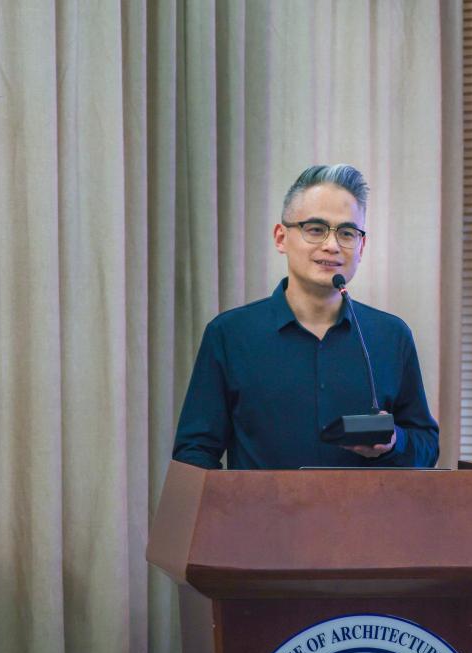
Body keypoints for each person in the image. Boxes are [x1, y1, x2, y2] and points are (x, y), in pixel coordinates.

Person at [172, 164, 439, 469]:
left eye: (347, 233)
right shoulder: (230, 334)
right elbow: (194, 452)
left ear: (361, 246)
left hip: (364, 503)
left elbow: (426, 446)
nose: (331, 245)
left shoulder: (390, 336)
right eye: (315, 229)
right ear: (281, 238)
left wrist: (393, 443)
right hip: (260, 503)